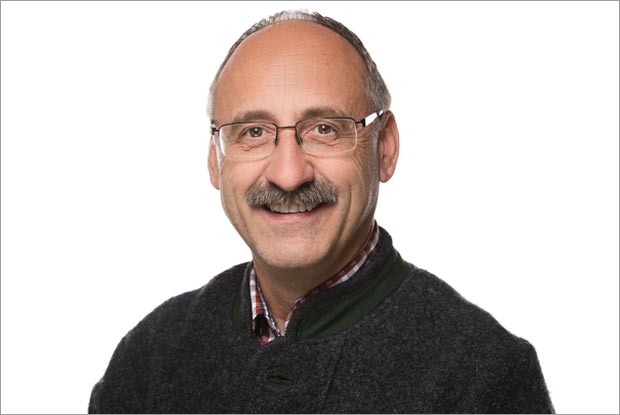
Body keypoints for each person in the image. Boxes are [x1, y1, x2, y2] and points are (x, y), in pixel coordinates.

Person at [89, 10, 554, 413]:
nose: (289, 174)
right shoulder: (149, 357)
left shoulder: (484, 374)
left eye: (325, 129)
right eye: (253, 132)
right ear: (215, 159)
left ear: (385, 148)